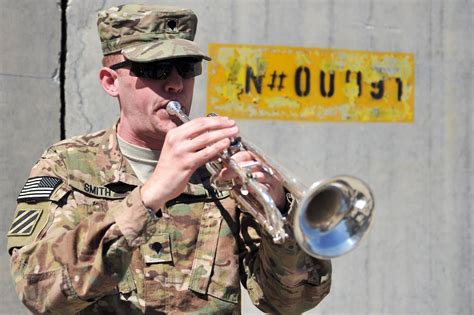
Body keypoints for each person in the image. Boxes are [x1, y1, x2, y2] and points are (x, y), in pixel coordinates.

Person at [7, 4, 331, 314]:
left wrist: (277, 208)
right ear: (110, 81)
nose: (175, 83)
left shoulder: (222, 171)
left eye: (187, 68)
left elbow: (290, 301)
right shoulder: (68, 166)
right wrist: (148, 198)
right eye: (155, 69)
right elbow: (38, 292)